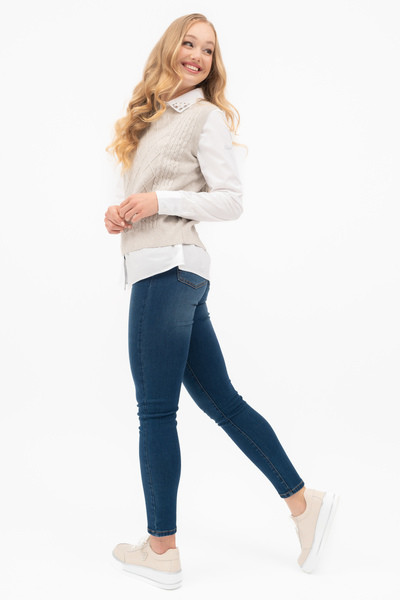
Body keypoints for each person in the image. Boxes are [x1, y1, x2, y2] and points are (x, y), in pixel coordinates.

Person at [105, 13, 338, 590]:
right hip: (172, 272)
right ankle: (304, 504)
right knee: (223, 401)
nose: (198, 55)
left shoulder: (204, 116)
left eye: (208, 49)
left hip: (167, 272)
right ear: (168, 49)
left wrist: (157, 199)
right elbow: (148, 198)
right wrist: (122, 211)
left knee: (156, 412)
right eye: (189, 43)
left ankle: (162, 549)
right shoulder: (151, 120)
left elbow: (231, 200)